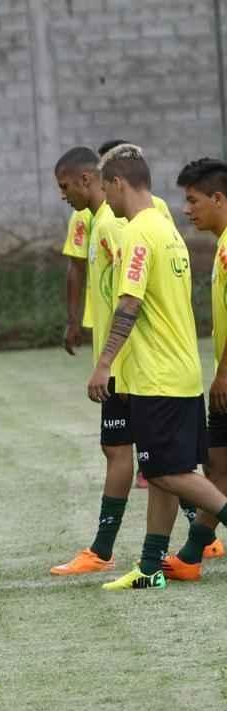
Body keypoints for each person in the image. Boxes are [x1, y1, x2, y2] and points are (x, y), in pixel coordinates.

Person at [89, 146, 227, 590]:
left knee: (168, 472)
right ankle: (150, 567)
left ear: (117, 183)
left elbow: (129, 303)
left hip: (158, 375)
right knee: (164, 471)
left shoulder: (138, 233)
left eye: (103, 186)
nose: (103, 197)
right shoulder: (168, 230)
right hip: (182, 370)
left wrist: (104, 364)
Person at [61, 139, 176, 493]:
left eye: (64, 186)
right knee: (125, 451)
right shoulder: (93, 222)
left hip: (127, 362)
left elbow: (133, 298)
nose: (62, 195)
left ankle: (205, 530)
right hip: (117, 357)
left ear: (87, 179)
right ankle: (103, 547)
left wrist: (114, 363)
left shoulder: (115, 225)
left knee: (154, 459)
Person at [161, 158, 227, 580]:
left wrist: (223, 373)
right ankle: (189, 557)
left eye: (193, 200)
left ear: (218, 198)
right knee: (217, 467)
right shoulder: (221, 246)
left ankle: (188, 555)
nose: (186, 209)